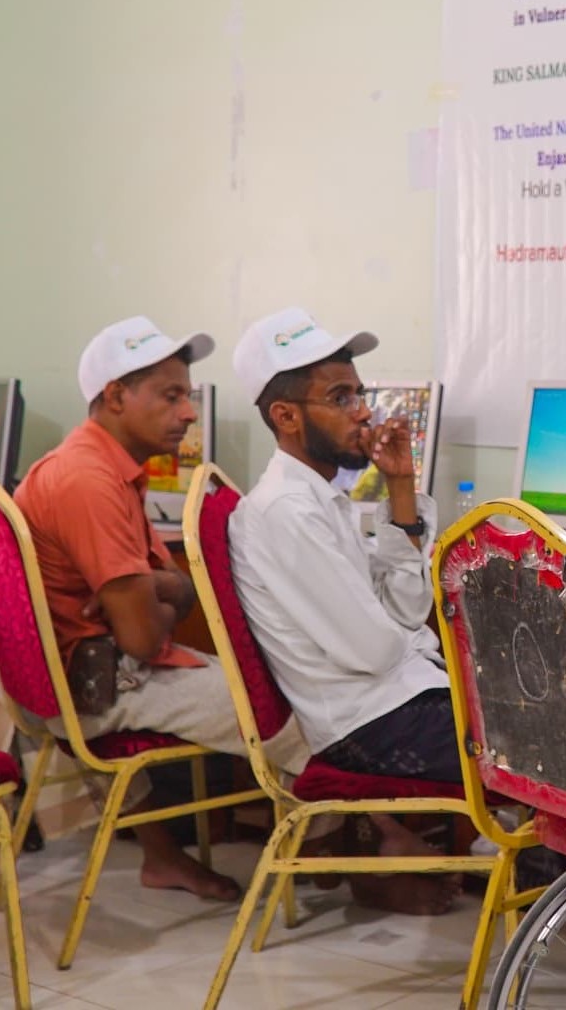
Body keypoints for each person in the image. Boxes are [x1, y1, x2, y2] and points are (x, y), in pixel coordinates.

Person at [10, 315, 309, 901]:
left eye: (189, 396)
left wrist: (161, 592)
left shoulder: (101, 466)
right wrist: (162, 597)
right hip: (104, 686)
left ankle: (164, 857)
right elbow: (146, 639)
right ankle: (349, 857)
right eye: (171, 396)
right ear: (116, 396)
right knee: (306, 706)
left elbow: (172, 589)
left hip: (86, 673)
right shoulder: (88, 482)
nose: (190, 413)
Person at [228, 306, 461, 914]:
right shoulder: (285, 511)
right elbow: (380, 646)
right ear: (286, 416)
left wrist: (401, 487)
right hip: (370, 722)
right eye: (340, 396)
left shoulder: (322, 497)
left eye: (360, 392)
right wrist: (406, 639)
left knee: (560, 719)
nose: (363, 411)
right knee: (565, 742)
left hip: (397, 698)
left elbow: (407, 611)